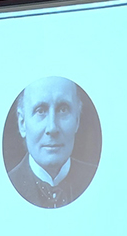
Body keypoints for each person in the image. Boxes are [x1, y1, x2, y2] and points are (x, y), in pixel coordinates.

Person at [7, 76, 97, 209]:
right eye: (40, 111)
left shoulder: (97, 179)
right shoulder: (5, 186)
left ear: (77, 120)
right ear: (22, 124)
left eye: (63, 109)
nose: (52, 128)